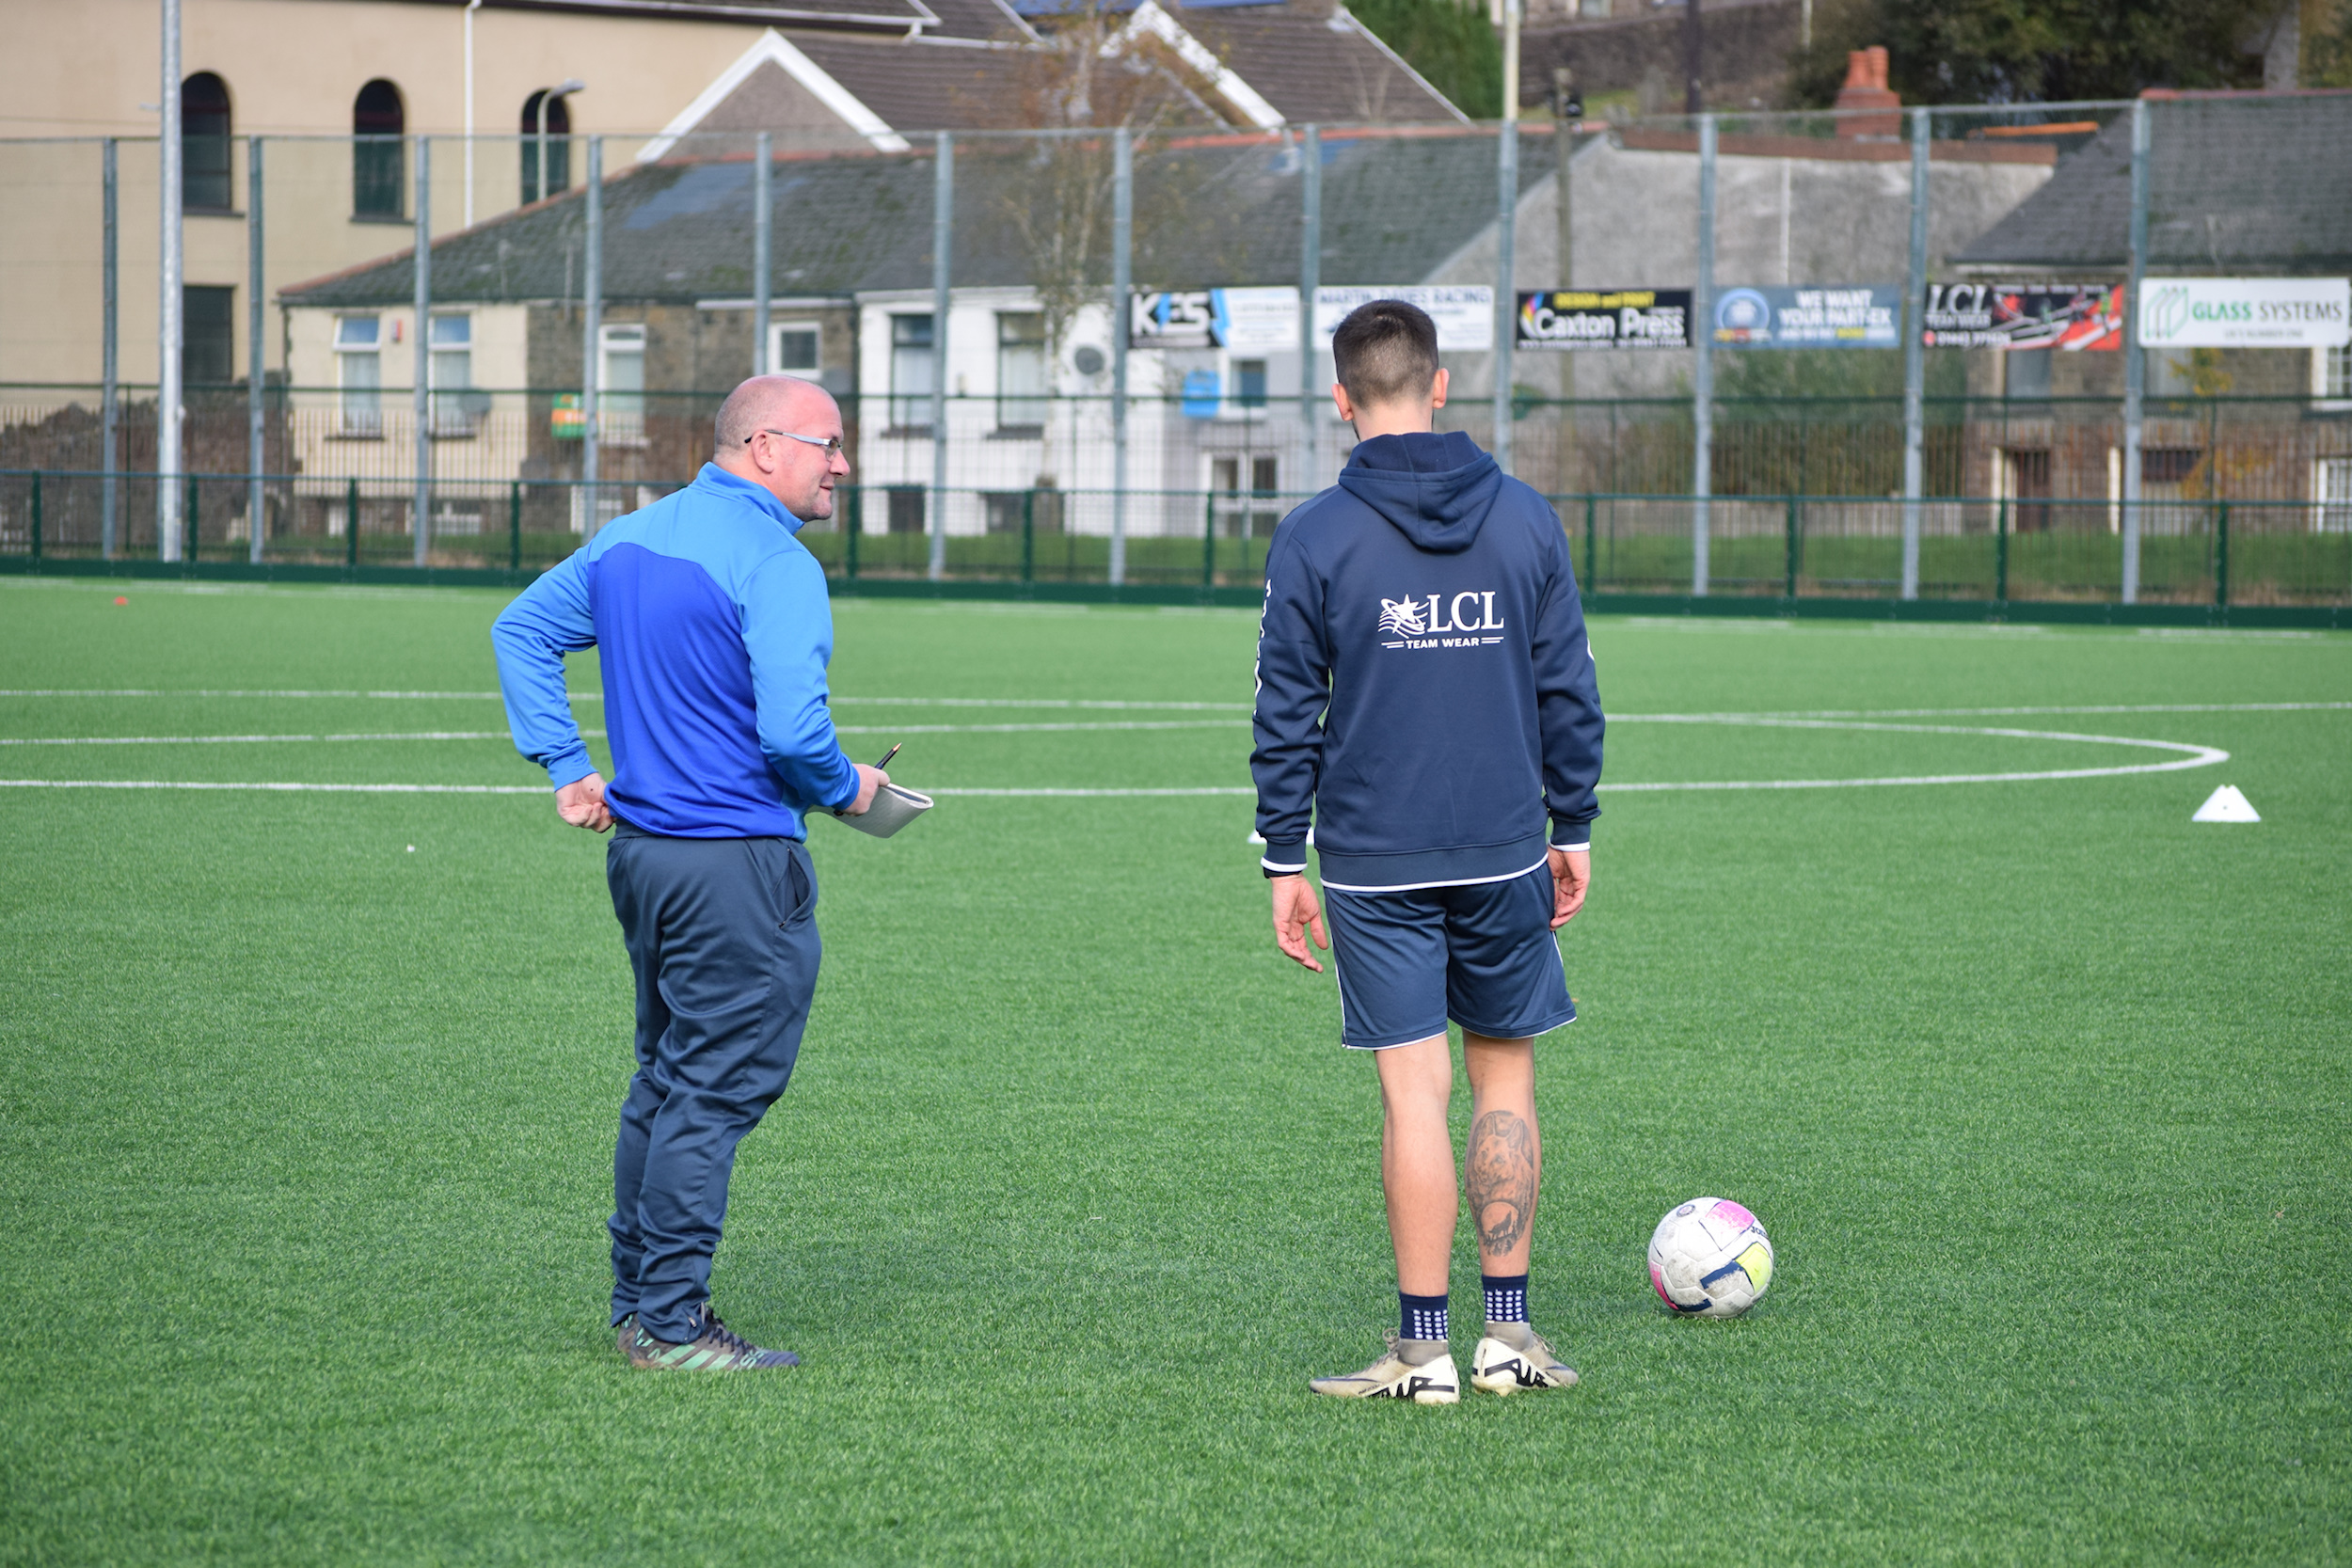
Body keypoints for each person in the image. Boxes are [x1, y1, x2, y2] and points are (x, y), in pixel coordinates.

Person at [492, 374, 887, 1372]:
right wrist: (848, 789)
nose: (842, 463)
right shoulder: (776, 559)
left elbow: (520, 629)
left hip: (646, 858)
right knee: (709, 1090)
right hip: (735, 864)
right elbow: (796, 732)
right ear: (762, 445)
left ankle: (639, 1301)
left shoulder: (629, 538)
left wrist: (566, 764)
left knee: (665, 1079)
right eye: (826, 442)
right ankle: (669, 1321)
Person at [1250, 301, 1604, 1403]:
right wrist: (1573, 823)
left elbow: (1282, 710)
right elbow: (1568, 689)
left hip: (1370, 858)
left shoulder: (1313, 532)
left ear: (1341, 401)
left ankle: (1422, 1351)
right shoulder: (1527, 518)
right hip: (1504, 847)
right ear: (1439, 385)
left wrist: (1279, 859)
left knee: (1416, 1095)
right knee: (1504, 1075)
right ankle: (1510, 1336)